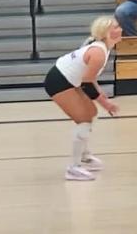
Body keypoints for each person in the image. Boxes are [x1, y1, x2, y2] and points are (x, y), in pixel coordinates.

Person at [43, 17, 121, 181]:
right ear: (105, 33)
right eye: (116, 27)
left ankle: (84, 155)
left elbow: (89, 77)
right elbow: (86, 83)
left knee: (91, 113)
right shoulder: (98, 53)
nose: (120, 29)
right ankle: (73, 168)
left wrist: (101, 95)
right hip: (58, 81)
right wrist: (106, 103)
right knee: (84, 119)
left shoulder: (103, 48)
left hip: (70, 80)